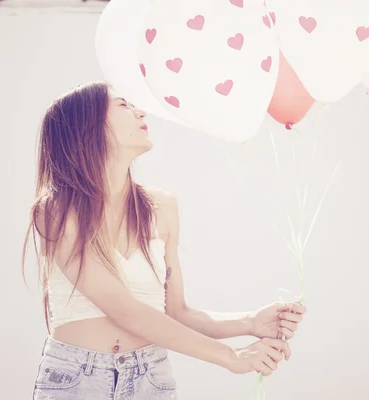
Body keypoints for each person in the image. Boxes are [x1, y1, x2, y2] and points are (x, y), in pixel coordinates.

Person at [22, 81, 307, 399]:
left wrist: (250, 322)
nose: (140, 111)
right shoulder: (56, 210)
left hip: (151, 378)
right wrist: (231, 357)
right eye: (123, 105)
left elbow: (177, 313)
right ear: (86, 126)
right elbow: (123, 309)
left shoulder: (162, 207)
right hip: (78, 380)